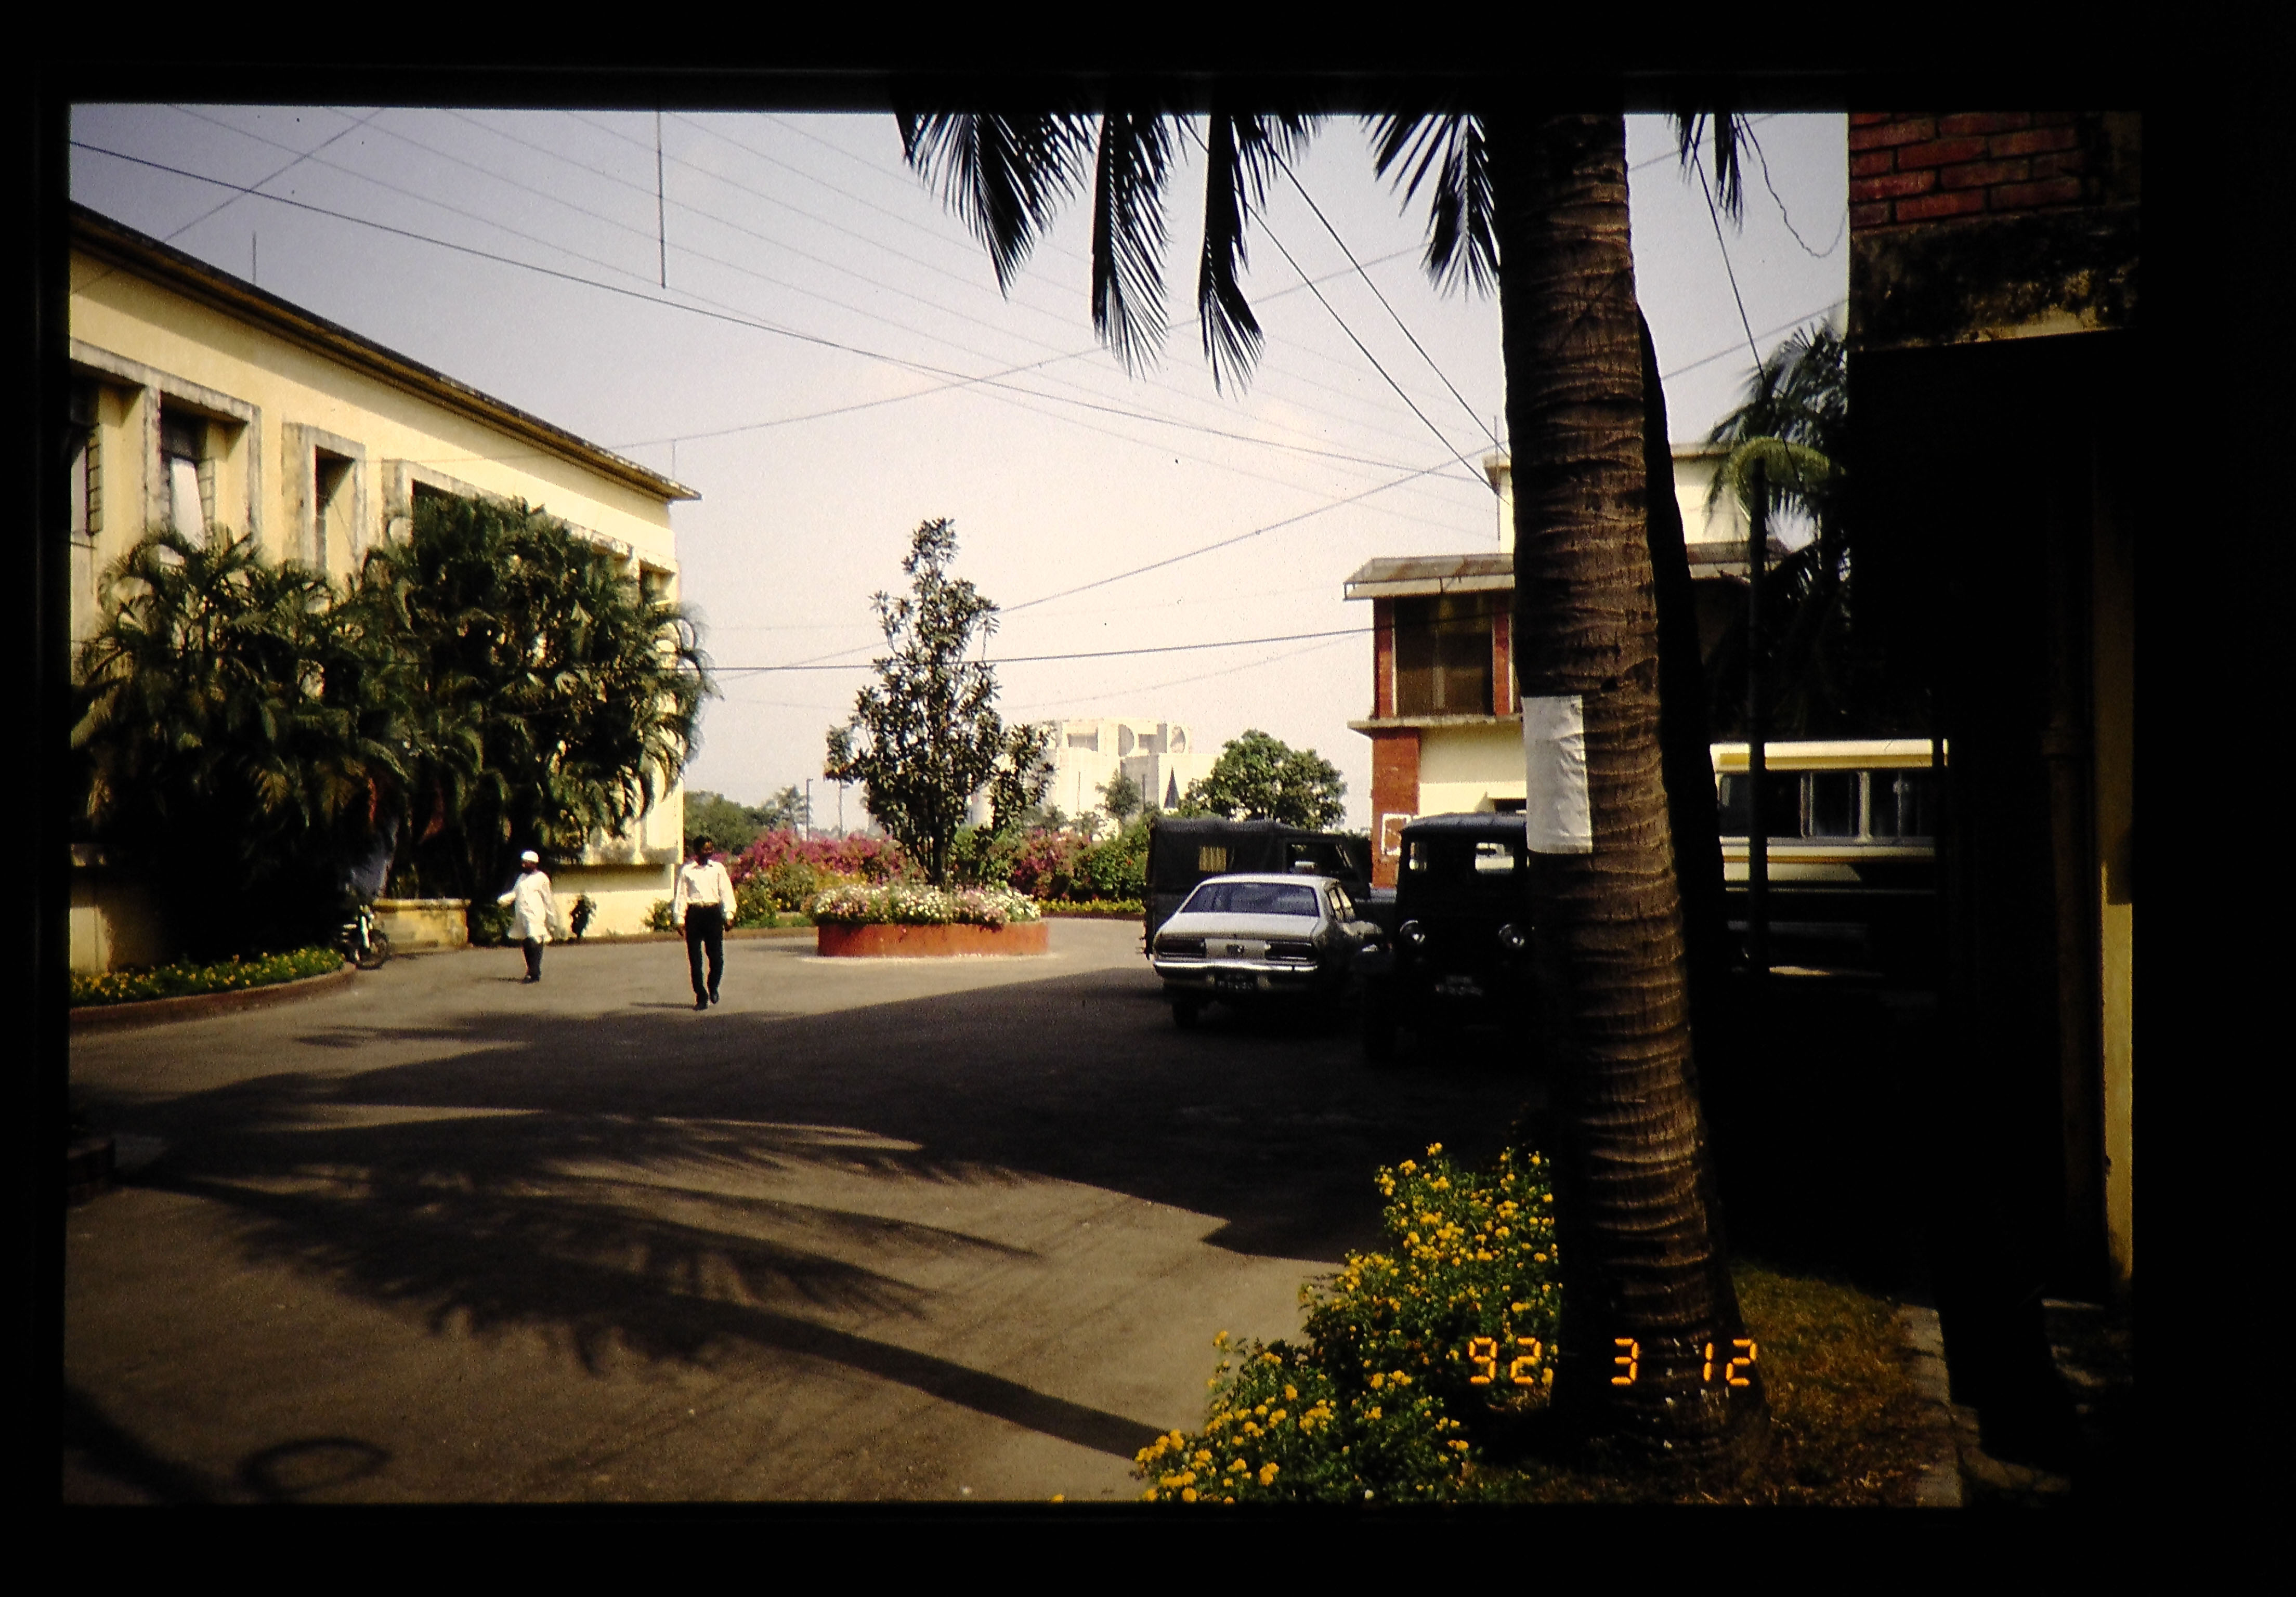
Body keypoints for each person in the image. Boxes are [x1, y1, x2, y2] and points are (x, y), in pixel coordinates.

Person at [673, 835, 738, 1010]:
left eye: (711, 848)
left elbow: (726, 892)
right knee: (695, 960)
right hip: (695, 915)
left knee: (717, 958)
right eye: (705, 849)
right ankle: (701, 996)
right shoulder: (687, 871)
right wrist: (679, 919)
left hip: (713, 914)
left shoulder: (718, 869)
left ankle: (713, 986)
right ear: (697, 851)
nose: (709, 852)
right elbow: (681, 896)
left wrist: (729, 914)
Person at [499, 849, 562, 984]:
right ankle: (531, 970)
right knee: (527, 943)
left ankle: (534, 971)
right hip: (522, 916)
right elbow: (516, 893)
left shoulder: (541, 878)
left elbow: (548, 899)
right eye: (523, 863)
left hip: (535, 915)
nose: (523, 865)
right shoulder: (521, 878)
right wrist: (504, 900)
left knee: (535, 941)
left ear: (534, 864)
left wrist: (552, 918)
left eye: (526, 863)